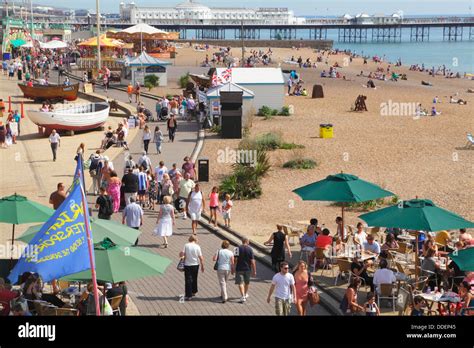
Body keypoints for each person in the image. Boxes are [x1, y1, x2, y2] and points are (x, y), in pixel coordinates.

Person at [180, 235, 204, 301]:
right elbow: (201, 257)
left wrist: (181, 254)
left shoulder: (186, 245)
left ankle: (188, 295)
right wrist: (202, 265)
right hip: (195, 264)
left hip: (187, 264)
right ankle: (194, 291)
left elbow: (182, 254)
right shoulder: (198, 246)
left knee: (188, 279)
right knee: (194, 278)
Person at [234, 238, 257, 303]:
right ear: (247, 242)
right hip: (247, 269)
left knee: (240, 283)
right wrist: (254, 270)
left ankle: (243, 296)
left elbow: (235, 259)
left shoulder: (236, 248)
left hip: (239, 268)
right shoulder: (250, 249)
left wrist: (233, 267)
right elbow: (252, 261)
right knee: (247, 283)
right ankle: (245, 294)